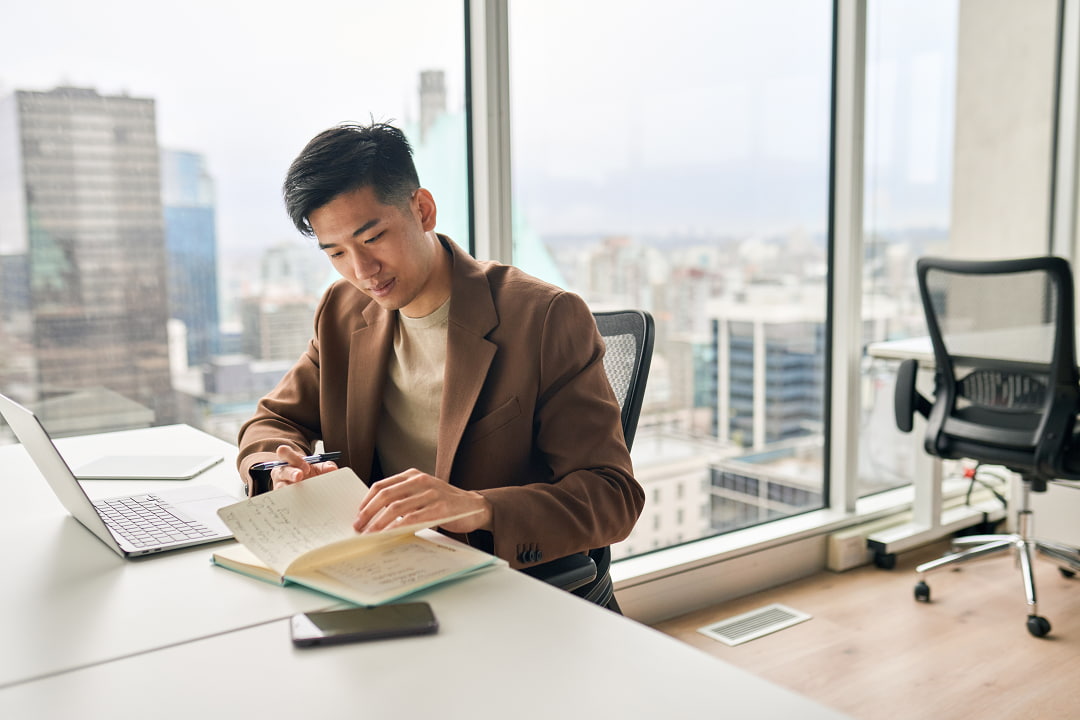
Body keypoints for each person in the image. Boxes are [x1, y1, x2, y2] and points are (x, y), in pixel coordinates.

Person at [236, 121, 644, 591]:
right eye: (336, 253)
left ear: (423, 210)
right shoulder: (343, 311)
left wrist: (478, 506)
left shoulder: (545, 318)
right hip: (379, 575)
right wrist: (280, 468)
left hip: (499, 588)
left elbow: (612, 497)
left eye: (372, 239)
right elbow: (271, 422)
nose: (362, 270)